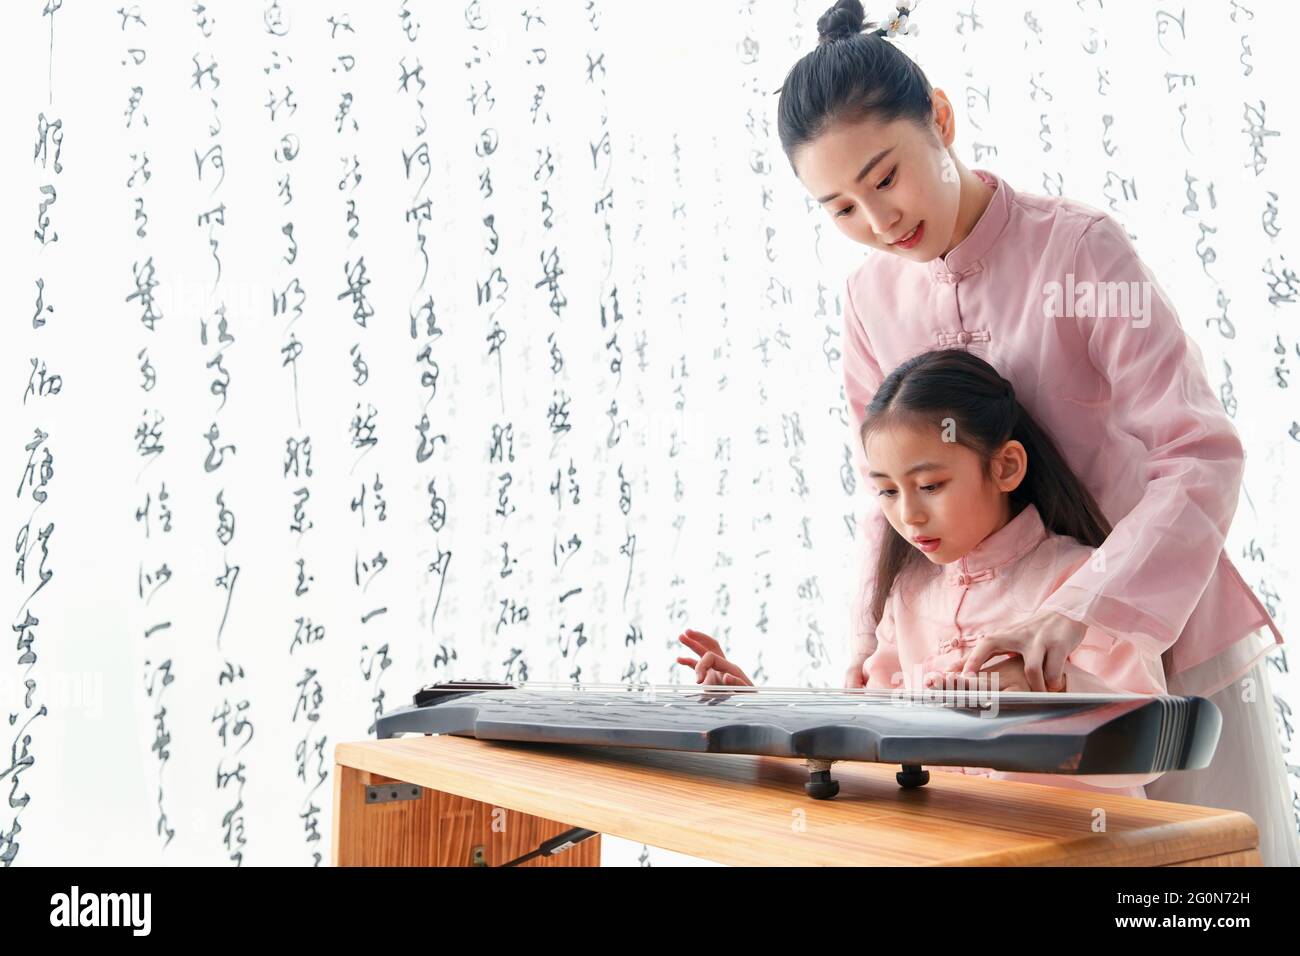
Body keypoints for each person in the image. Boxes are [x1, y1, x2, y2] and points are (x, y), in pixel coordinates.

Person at [680, 0, 1296, 863]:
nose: (879, 222)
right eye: (841, 208)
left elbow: (1199, 454)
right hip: (987, 667)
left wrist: (1077, 613)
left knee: (1205, 884)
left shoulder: (1077, 251)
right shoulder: (871, 300)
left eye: (886, 177)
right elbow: (883, 488)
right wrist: (863, 652)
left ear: (940, 116)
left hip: (1164, 632)